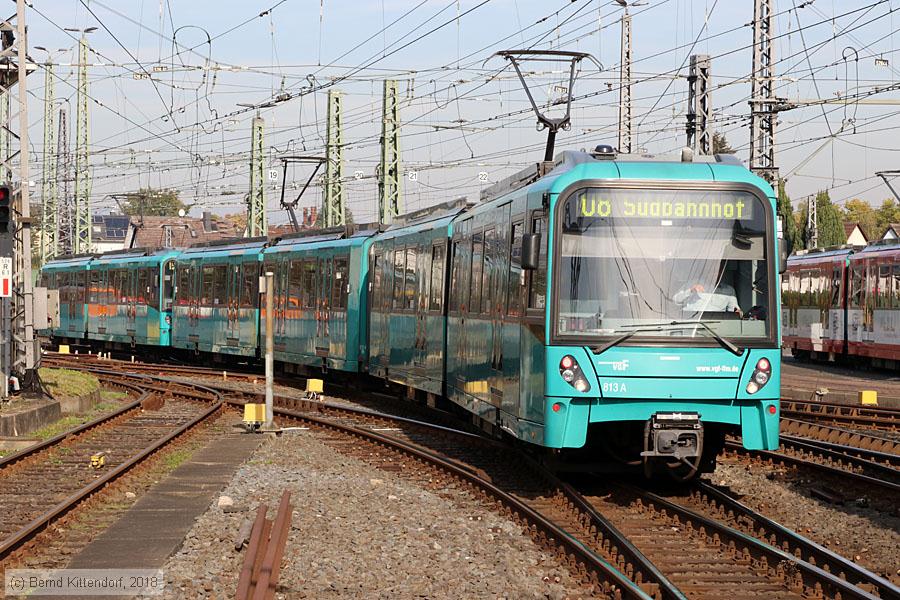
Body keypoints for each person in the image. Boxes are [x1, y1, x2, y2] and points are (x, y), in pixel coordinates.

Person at [672, 279, 742, 317]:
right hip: (691, 324)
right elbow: (676, 300)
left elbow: (734, 312)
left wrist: (738, 313)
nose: (715, 271)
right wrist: (690, 290)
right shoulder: (692, 283)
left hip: (718, 327)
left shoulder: (728, 290)